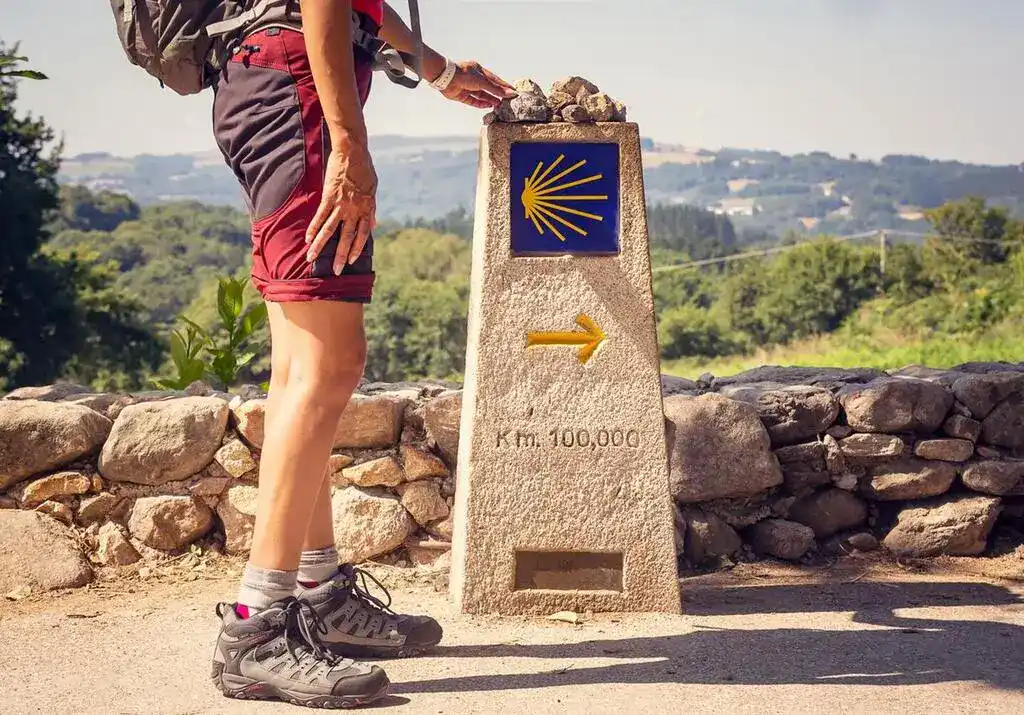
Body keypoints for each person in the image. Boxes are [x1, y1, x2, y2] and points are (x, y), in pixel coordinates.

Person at [208, 0, 515, 707]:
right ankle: (256, 630)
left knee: (300, 369)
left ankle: (315, 594)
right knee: (327, 367)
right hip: (296, 95)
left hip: (270, 83)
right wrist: (348, 143)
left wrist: (435, 69)